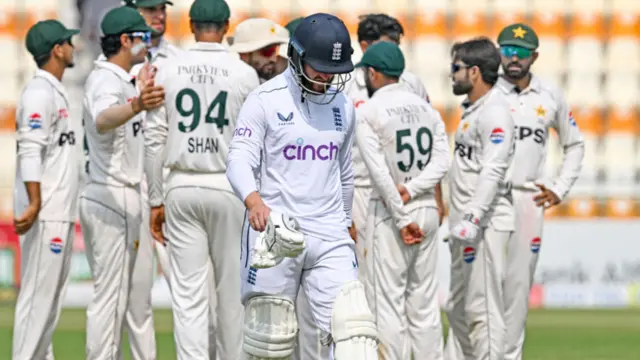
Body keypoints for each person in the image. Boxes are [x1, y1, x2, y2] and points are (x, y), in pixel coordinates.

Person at [226, 13, 378, 360]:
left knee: (354, 334)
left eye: (333, 69)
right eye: (319, 66)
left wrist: (345, 222)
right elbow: (238, 158)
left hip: (329, 234)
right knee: (270, 344)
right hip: (277, 231)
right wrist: (253, 201)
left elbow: (344, 173)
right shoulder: (265, 99)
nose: (326, 77)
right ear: (295, 56)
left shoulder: (342, 105)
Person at [145, 0, 259, 358]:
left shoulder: (169, 68)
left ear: (191, 25)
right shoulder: (243, 73)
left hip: (181, 184)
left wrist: (155, 199)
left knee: (188, 299)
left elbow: (153, 139)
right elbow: (256, 142)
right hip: (229, 186)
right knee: (231, 296)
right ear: (226, 27)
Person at [354, 41, 450, 360]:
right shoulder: (427, 110)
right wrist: (416, 187)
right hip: (426, 208)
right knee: (423, 305)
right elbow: (442, 161)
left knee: (387, 305)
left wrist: (399, 213)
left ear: (372, 73)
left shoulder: (368, 112)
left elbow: (379, 175)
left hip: (392, 213)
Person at [79, 6, 164, 359]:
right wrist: (136, 104)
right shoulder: (104, 79)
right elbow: (102, 119)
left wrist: (137, 92)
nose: (148, 42)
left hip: (122, 196)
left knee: (122, 296)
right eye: (142, 37)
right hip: (110, 195)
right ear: (125, 40)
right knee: (109, 298)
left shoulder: (121, 79)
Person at [496, 24, 585, 360]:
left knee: (517, 289)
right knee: (481, 288)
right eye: (507, 50)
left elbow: (574, 143)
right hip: (489, 199)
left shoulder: (550, 94)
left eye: (521, 51)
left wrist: (559, 188)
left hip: (528, 198)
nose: (513, 57)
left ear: (534, 55)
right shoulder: (486, 90)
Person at [345, 12, 444, 286]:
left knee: (414, 283)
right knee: (366, 277)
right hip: (362, 189)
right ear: (365, 46)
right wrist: (343, 210)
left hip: (408, 189)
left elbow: (430, 141)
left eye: (397, 45)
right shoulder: (344, 85)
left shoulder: (411, 83)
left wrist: (437, 195)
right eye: (387, 44)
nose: (394, 52)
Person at [444, 37, 515, 360]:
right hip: (464, 226)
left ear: (474, 72)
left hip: (484, 225)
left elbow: (493, 170)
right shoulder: (475, 109)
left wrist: (473, 217)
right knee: (457, 308)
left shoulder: (496, 112)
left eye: (456, 68)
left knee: (483, 309)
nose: (451, 74)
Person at [12, 19, 79, 360]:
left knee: (48, 305)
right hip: (47, 213)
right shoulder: (39, 92)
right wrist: (36, 202)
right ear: (57, 49)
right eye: (69, 42)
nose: (73, 46)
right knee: (38, 303)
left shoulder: (53, 89)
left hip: (58, 211)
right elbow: (29, 147)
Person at [228, 17, 289, 83]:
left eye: (276, 51)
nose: (274, 59)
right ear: (244, 54)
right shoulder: (231, 84)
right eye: (268, 52)